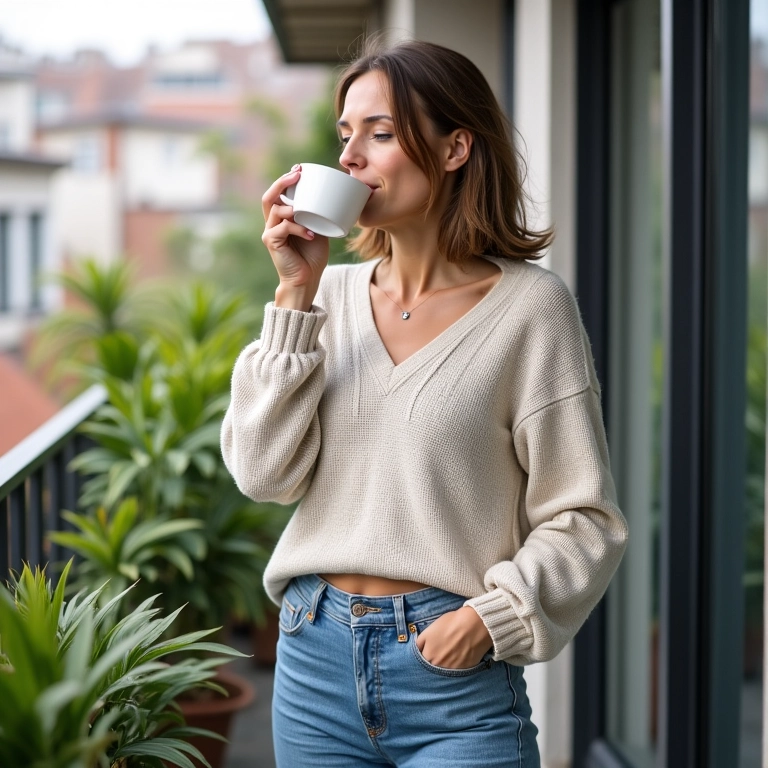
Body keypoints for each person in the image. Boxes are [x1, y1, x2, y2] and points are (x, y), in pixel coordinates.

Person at [221, 37, 628, 768]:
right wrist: (293, 293)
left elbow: (584, 518)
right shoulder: (324, 300)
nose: (350, 157)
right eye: (346, 136)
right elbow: (263, 475)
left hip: (453, 677)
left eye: (379, 134)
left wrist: (491, 617)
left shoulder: (532, 310)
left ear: (454, 149)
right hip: (313, 660)